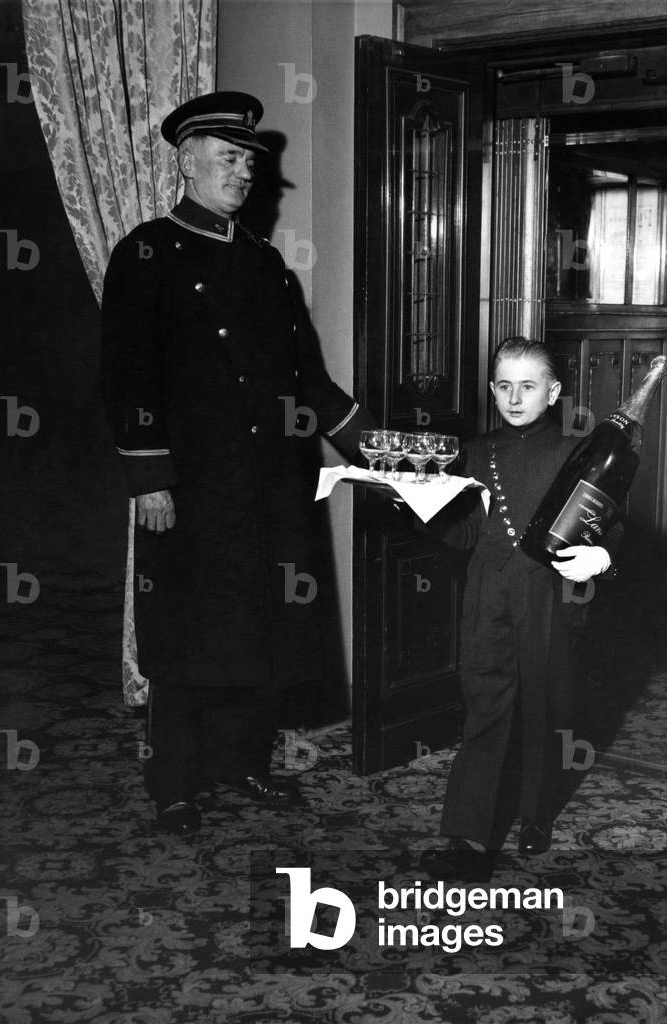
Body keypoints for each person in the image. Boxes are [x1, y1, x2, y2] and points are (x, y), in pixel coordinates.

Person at [100, 92, 374, 835]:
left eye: (249, 161)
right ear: (187, 163)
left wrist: (381, 451)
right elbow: (127, 375)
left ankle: (243, 762)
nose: (244, 173)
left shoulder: (266, 266)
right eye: (229, 159)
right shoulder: (145, 252)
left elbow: (308, 384)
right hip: (188, 487)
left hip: (269, 486)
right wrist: (149, 476)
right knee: (187, 636)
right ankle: (176, 782)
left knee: (258, 630)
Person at [420, 337, 622, 881]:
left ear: (553, 393)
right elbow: (465, 535)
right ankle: (467, 833)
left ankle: (535, 815)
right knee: (485, 705)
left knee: (542, 710)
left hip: (546, 595)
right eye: (504, 385)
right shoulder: (473, 451)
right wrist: (425, 508)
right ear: (492, 389)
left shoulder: (572, 451)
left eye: (528, 386)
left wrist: (601, 557)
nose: (515, 396)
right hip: (487, 595)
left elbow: (609, 522)